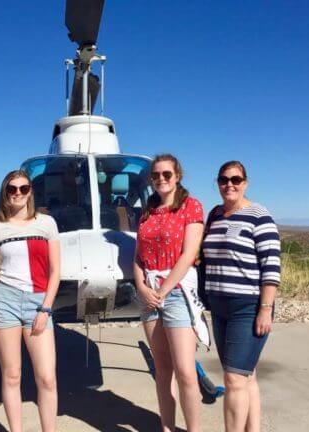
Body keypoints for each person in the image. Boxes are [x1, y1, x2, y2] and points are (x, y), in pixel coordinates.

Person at [0, 170, 60, 432]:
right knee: (11, 375)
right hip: (4, 303)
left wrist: (46, 308)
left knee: (46, 378)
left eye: (23, 189)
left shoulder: (46, 223)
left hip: (39, 301)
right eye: (12, 189)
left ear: (30, 193)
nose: (17, 194)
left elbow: (56, 272)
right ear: (5, 192)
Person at [202, 160, 281, 432]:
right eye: (224, 179)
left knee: (234, 379)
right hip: (219, 305)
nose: (229, 185)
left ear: (245, 183)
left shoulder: (259, 215)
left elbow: (271, 265)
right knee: (246, 376)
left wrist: (265, 308)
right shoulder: (214, 215)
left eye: (236, 180)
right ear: (217, 183)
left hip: (247, 307)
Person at [134, 153, 205, 432]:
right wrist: (142, 287)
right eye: (156, 175)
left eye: (167, 174)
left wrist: (162, 290)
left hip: (175, 293)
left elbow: (188, 254)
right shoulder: (148, 211)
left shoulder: (190, 207)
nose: (161, 179)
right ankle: (167, 426)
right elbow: (139, 256)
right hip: (150, 295)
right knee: (162, 369)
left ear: (177, 176)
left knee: (186, 371)